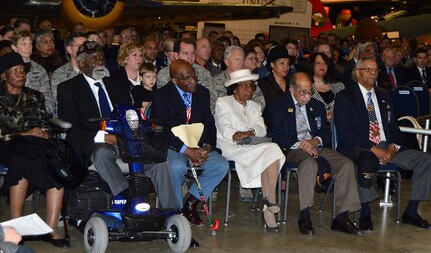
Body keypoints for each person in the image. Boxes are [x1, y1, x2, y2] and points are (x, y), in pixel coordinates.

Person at [57, 41, 178, 209]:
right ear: (82, 63)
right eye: (94, 58)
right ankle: (126, 196)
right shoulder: (68, 88)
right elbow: (72, 130)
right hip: (92, 145)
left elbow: (131, 116)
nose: (99, 62)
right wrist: (105, 137)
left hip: (126, 141)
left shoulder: (117, 84)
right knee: (102, 152)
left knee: (159, 160)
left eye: (101, 58)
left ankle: (171, 211)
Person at [334, 58, 431, 231]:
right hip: (361, 145)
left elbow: (393, 126)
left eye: (376, 70)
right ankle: (365, 212)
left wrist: (393, 147)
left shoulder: (384, 95)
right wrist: (374, 149)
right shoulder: (345, 96)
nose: (373, 72)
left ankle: (411, 212)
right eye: (368, 69)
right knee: (366, 161)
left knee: (425, 160)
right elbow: (345, 132)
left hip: (387, 145)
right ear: (358, 73)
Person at [266, 72, 362, 236]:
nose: (307, 96)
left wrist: (314, 142)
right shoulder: (277, 105)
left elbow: (325, 133)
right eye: (302, 92)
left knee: (346, 164)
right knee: (309, 163)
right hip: (291, 149)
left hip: (315, 146)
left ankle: (342, 216)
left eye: (310, 91)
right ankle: (304, 215)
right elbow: (277, 135)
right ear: (291, 90)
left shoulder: (316, 105)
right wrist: (303, 145)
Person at [0, 52, 69, 247]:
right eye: (15, 71)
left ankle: (51, 227)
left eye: (22, 70)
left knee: (55, 160)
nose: (21, 74)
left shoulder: (34, 95)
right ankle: (15, 225)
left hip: (34, 145)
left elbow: (43, 120)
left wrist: (45, 132)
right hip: (5, 143)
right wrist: (24, 133)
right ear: (4, 75)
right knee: (21, 157)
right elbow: (5, 127)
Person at [152, 59, 229, 226]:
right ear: (174, 80)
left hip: (197, 144)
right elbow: (161, 131)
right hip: (174, 146)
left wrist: (206, 147)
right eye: (186, 78)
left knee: (221, 165)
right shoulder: (161, 96)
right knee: (177, 167)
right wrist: (186, 150)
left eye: (193, 76)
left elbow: (209, 123)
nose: (192, 81)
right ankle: (177, 215)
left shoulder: (202, 93)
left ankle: (190, 203)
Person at [214, 69, 285, 232]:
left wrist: (250, 132)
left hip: (252, 144)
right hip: (230, 146)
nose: (249, 90)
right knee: (272, 150)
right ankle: (269, 205)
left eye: (251, 86)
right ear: (235, 88)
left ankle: (268, 203)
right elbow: (225, 129)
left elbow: (262, 129)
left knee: (272, 150)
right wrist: (238, 134)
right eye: (244, 86)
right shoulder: (223, 102)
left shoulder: (255, 106)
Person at [11, 29, 54, 115]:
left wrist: (39, 116)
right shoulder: (8, 70)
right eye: (24, 44)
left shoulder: (39, 70)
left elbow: (48, 99)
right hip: (12, 117)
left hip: (35, 117)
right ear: (14, 47)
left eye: (30, 44)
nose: (28, 47)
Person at [50, 33, 87, 108]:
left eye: (86, 46)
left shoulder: (94, 71)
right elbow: (60, 103)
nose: (84, 49)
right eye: (79, 46)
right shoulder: (60, 74)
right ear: (69, 49)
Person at [308, 52, 345, 122]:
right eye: (318, 63)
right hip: (317, 129)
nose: (322, 66)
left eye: (325, 63)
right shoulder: (305, 88)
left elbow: (346, 108)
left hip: (339, 128)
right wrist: (325, 117)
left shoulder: (339, 86)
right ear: (312, 65)